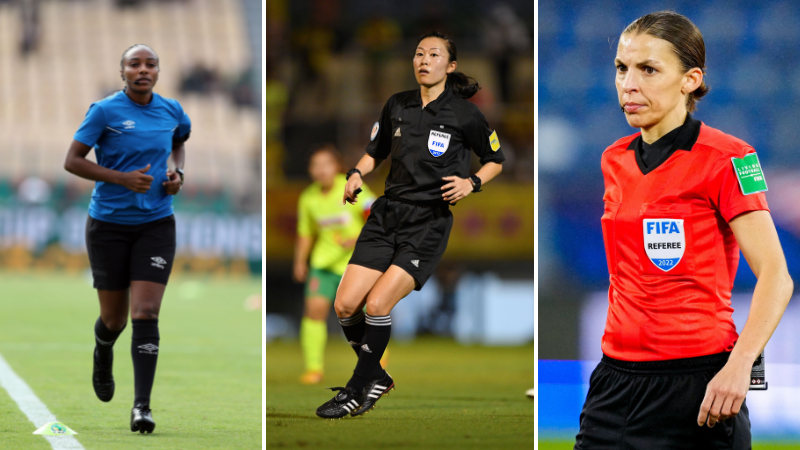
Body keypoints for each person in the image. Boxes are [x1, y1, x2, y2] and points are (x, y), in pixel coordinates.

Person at [575, 12, 793, 449]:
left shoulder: (731, 158)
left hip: (698, 386)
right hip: (614, 384)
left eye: (648, 69)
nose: (628, 84)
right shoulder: (613, 158)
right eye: (622, 68)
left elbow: (776, 275)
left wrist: (739, 367)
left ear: (691, 79)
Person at [315, 30, 505, 419]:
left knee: (378, 303)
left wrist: (472, 182)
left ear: (449, 66)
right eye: (419, 53)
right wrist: (355, 174)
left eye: (434, 54)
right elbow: (375, 152)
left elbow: (496, 160)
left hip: (427, 222)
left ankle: (355, 388)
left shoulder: (464, 113)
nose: (423, 60)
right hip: (387, 216)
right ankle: (378, 376)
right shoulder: (396, 105)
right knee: (345, 303)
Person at [63, 44, 191, 434]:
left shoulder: (173, 111)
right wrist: (122, 179)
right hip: (109, 226)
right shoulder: (104, 111)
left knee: (146, 313)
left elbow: (179, 144)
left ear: (157, 72)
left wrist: (177, 176)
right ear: (122, 72)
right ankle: (103, 350)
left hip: (156, 224)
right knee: (114, 319)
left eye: (150, 64)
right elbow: (72, 160)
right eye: (134, 64)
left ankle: (142, 407)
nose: (142, 70)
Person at [293, 145, 376, 385]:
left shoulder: (351, 184)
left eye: (325, 164)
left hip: (354, 265)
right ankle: (314, 368)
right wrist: (300, 261)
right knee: (313, 312)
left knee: (359, 316)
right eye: (315, 165)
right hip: (323, 265)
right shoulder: (308, 197)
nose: (320, 170)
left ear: (337, 166)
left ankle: (375, 359)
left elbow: (375, 212)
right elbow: (305, 233)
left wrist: (360, 236)